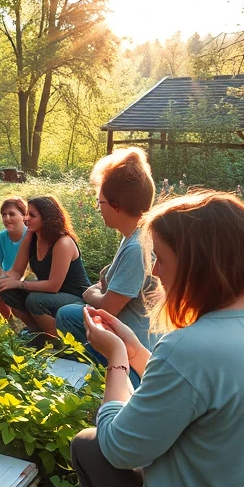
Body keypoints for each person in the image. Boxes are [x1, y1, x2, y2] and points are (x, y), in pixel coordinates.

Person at [70, 191, 244, 487]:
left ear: (196, 266)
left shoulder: (190, 347)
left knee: (88, 444)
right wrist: (134, 350)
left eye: (160, 259)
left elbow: (119, 449)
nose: (155, 272)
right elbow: (198, 388)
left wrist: (116, 359)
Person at [56, 148, 158, 382]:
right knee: (68, 313)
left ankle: (122, 374)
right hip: (127, 329)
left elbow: (108, 308)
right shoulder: (133, 236)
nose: (98, 208)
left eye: (100, 202)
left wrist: (90, 293)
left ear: (116, 205)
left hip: (137, 344)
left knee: (68, 315)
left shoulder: (136, 248)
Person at [0, 196, 91, 335]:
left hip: (76, 298)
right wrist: (1, 282)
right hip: (51, 294)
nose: (26, 218)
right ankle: (36, 332)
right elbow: (16, 271)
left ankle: (56, 339)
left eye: (32, 215)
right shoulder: (33, 238)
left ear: (47, 218)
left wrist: (18, 284)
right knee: (8, 291)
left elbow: (53, 285)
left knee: (35, 300)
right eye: (26, 214)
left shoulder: (63, 242)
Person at [0, 197, 28, 320]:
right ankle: (9, 318)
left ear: (24, 216)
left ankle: (26, 319)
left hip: (26, 276)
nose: (7, 218)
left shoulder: (31, 235)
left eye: (12, 214)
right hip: (6, 274)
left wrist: (15, 280)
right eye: (4, 215)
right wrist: (2, 277)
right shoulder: (0, 237)